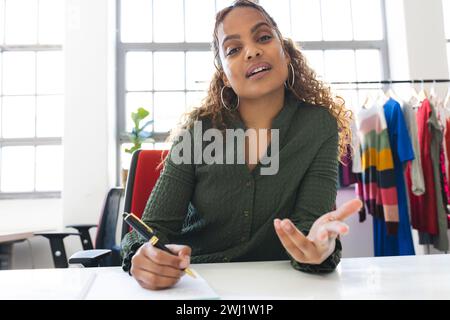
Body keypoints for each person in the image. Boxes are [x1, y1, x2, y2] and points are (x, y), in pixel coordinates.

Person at [121, 0, 362, 290]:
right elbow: (150, 231)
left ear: (284, 52)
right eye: (234, 49)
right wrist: (142, 254)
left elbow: (309, 231)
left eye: (263, 37)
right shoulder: (196, 134)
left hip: (282, 289)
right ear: (224, 74)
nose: (252, 50)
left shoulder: (318, 126)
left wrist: (317, 250)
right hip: (196, 287)